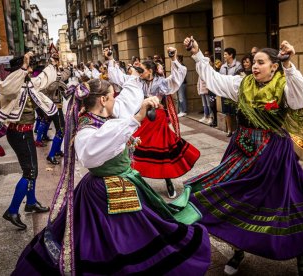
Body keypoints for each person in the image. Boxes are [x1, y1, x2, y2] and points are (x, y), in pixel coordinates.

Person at [182, 36, 303, 276]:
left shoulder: (284, 84)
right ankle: (239, 249)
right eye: (254, 61)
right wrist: (197, 54)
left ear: (274, 66)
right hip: (242, 151)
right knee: (239, 199)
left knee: (285, 201)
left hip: (274, 154)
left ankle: (301, 256)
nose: (255, 65)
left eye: (261, 62)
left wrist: (289, 66)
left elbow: (301, 99)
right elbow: (214, 79)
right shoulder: (242, 83)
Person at [12, 75, 211, 275]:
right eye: (112, 96)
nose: (115, 99)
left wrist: (128, 141)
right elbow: (91, 152)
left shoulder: (97, 119)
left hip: (115, 184)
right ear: (103, 100)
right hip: (108, 191)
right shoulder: (87, 128)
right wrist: (136, 118)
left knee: (127, 233)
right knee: (125, 236)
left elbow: (110, 136)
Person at [107, 47, 200, 199]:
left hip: (158, 120)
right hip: (143, 118)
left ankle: (168, 182)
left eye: (142, 69)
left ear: (150, 70)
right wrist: (111, 59)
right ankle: (136, 182)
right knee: (134, 147)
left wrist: (174, 59)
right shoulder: (137, 82)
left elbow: (176, 79)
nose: (139, 71)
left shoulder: (161, 82)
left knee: (162, 149)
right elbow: (119, 78)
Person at [0, 52, 59, 230]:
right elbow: (6, 88)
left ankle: (31, 202)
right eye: (28, 67)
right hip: (18, 134)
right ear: (19, 70)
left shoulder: (28, 84)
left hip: (26, 133)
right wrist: (23, 68)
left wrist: (52, 63)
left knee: (33, 170)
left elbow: (44, 79)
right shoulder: (11, 85)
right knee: (29, 172)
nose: (31, 69)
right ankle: (12, 210)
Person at [219, 47, 242, 137]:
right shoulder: (223, 66)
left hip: (234, 92)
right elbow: (220, 78)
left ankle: (237, 130)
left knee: (236, 112)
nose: (224, 56)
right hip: (225, 92)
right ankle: (229, 130)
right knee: (227, 112)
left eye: (225, 54)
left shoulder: (238, 65)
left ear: (231, 55)